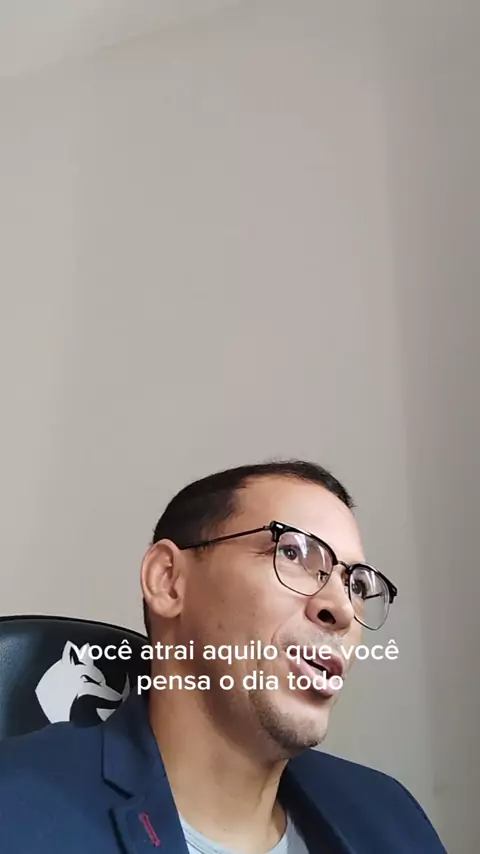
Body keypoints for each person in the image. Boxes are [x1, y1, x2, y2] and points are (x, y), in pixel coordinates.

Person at [0, 460, 447, 853]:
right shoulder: (18, 808)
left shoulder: (391, 816)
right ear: (168, 581)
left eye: (358, 585)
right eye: (293, 552)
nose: (343, 609)